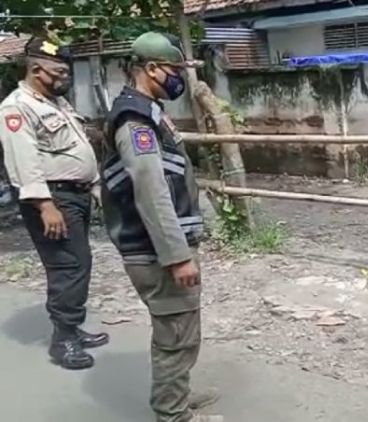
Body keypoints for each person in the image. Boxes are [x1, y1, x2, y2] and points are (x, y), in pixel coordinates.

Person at [100, 32, 222, 422]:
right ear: (150, 69)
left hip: (162, 247)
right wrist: (177, 255)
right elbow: (151, 193)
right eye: (173, 70)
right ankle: (172, 414)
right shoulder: (134, 119)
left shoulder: (148, 112)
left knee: (182, 329)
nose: (178, 78)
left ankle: (177, 396)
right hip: (156, 252)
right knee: (175, 336)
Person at [0, 37, 109, 370]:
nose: (65, 77)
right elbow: (23, 161)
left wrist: (95, 186)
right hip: (52, 198)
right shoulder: (17, 107)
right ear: (36, 69)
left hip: (73, 194)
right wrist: (45, 206)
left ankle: (72, 327)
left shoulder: (55, 103)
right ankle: (63, 341)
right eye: (59, 71)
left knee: (79, 262)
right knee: (68, 265)